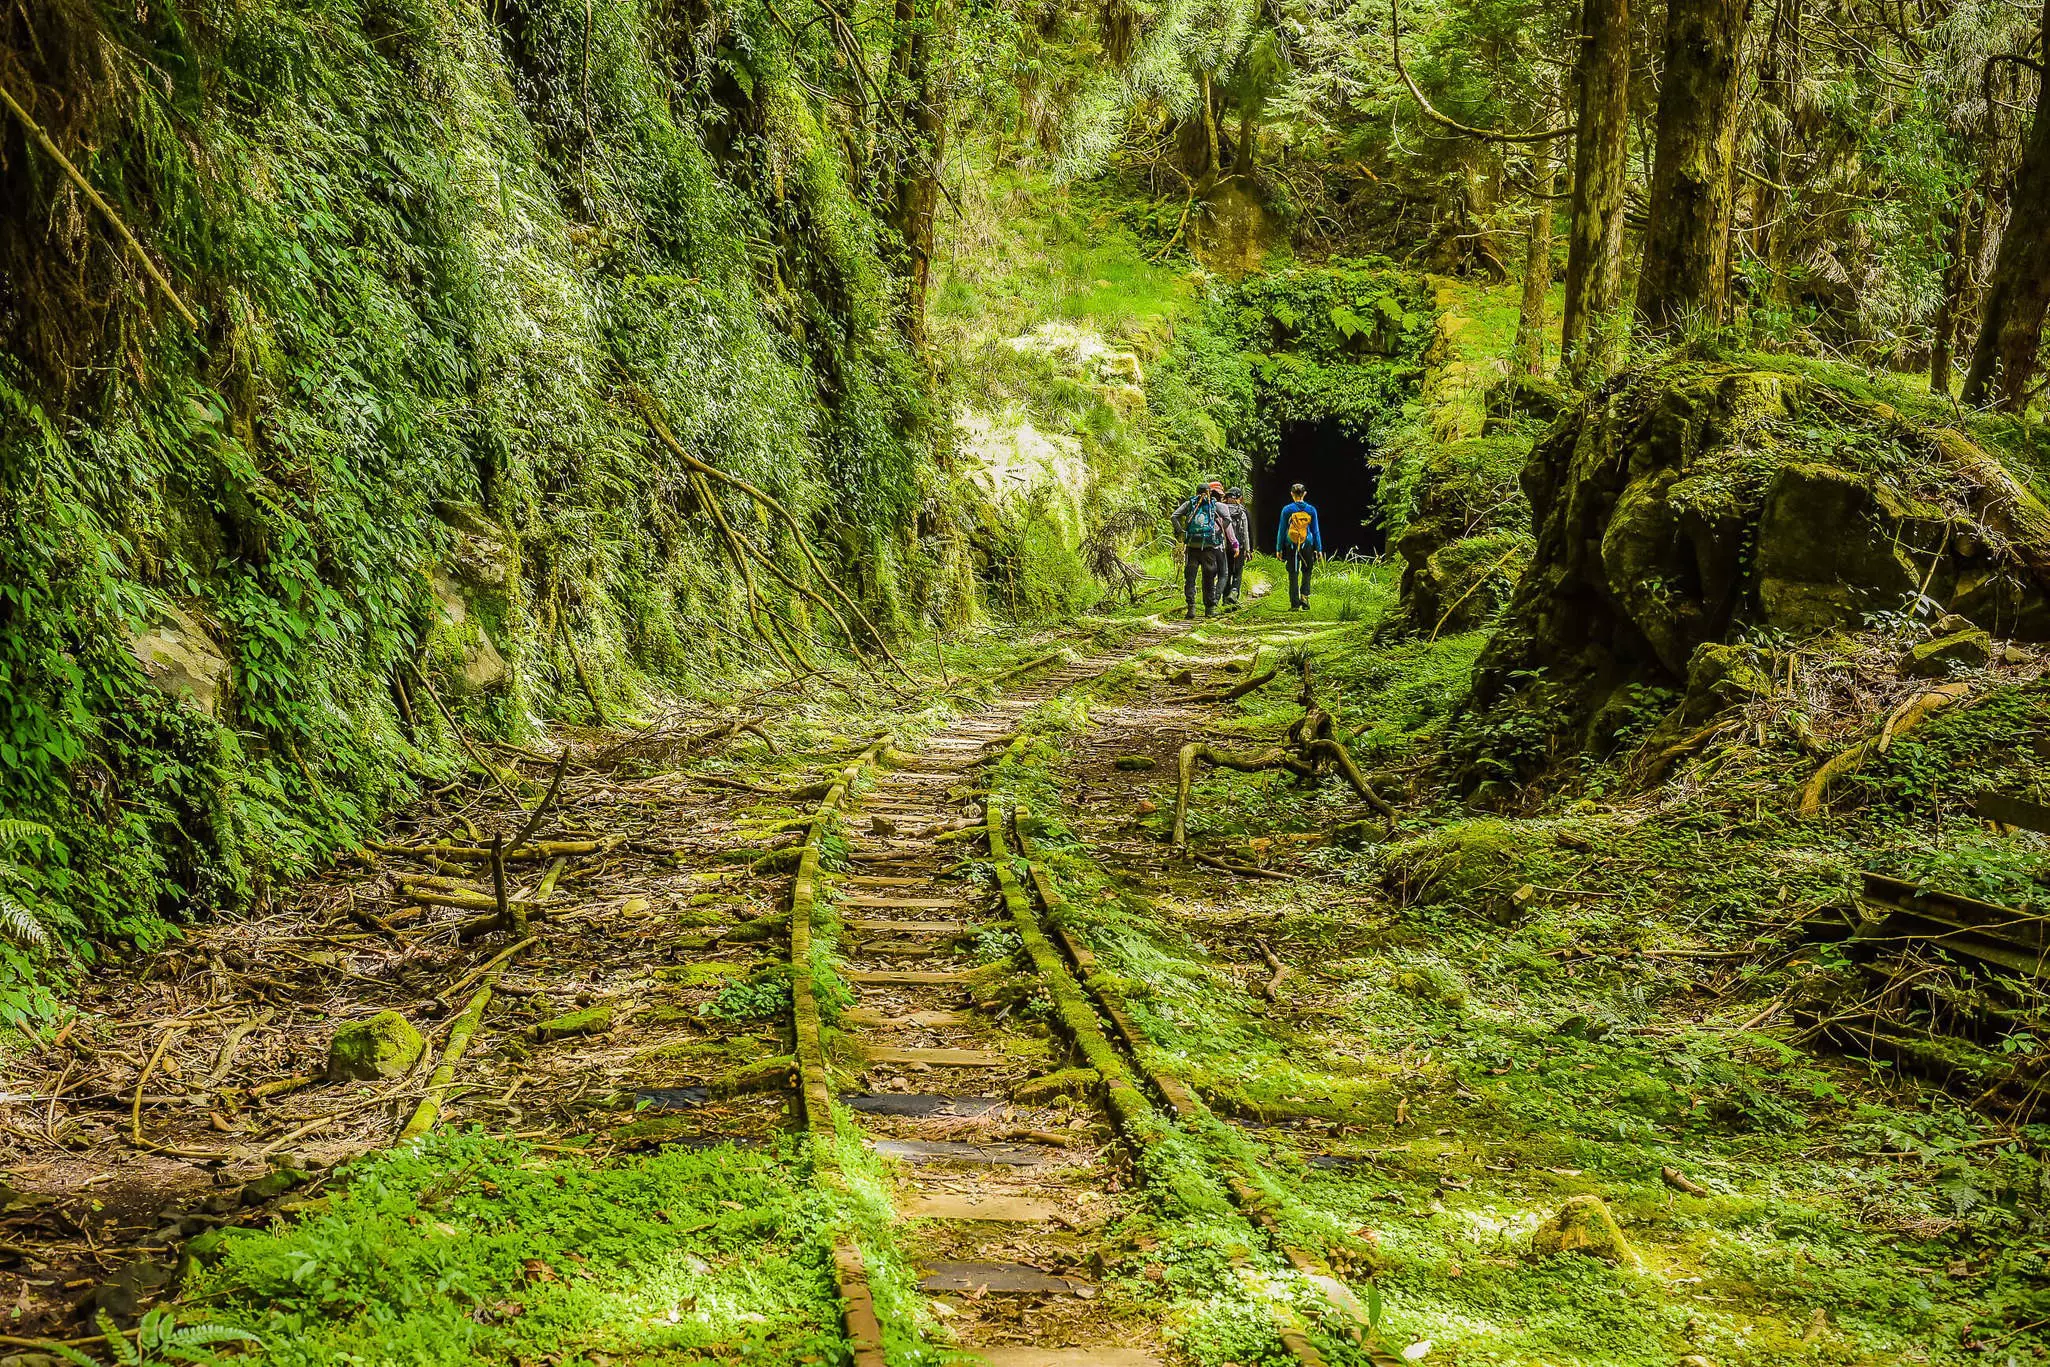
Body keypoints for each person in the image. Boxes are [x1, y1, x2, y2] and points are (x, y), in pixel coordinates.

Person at [1171, 482, 1230, 618]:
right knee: (1209, 577)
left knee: (1190, 577)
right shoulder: (1214, 504)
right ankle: (1209, 609)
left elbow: (1174, 516)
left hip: (1192, 546)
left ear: (1196, 491)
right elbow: (1227, 518)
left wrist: (1181, 531)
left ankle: (1191, 608)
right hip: (1208, 547)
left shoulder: (1190, 504)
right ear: (1209, 492)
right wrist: (1219, 531)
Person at [1274, 482, 1321, 611]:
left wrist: (1278, 548)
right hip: (1307, 544)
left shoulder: (1287, 510)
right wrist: (1319, 548)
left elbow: (1282, 530)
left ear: (1292, 494)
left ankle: (1294, 604)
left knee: (1293, 572)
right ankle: (1304, 597)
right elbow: (1316, 531)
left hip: (1291, 544)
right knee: (1307, 570)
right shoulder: (1311, 510)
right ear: (1304, 494)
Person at [1219, 487, 1251, 607]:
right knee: (1238, 572)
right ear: (1239, 498)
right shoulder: (1242, 512)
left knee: (1225, 572)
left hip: (1224, 546)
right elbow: (1246, 532)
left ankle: (1225, 599)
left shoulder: (1220, 509)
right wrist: (1248, 549)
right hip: (1239, 546)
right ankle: (1234, 592)